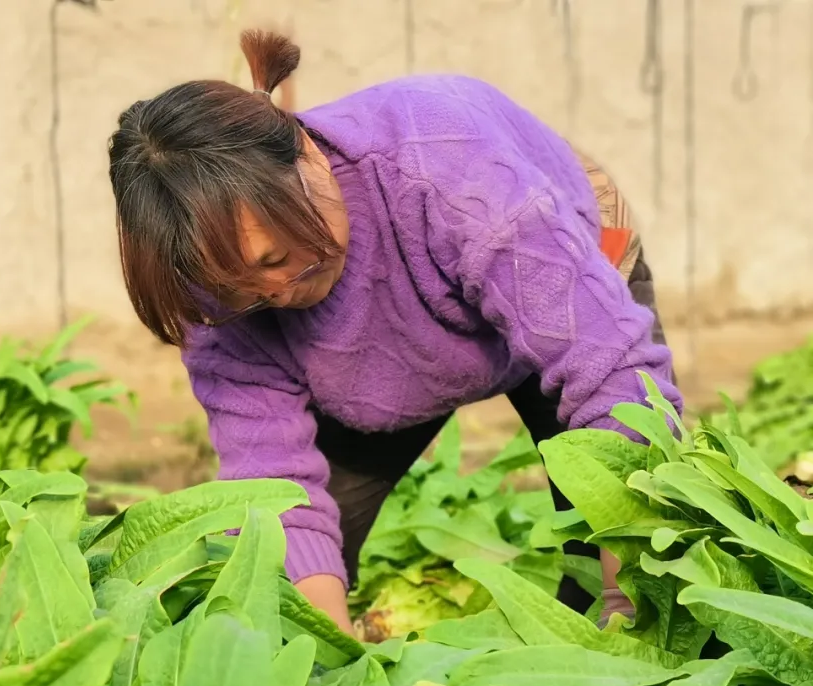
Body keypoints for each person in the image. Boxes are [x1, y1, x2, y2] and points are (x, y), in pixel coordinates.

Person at [107, 30, 682, 634]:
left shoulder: (447, 164)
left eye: (276, 260)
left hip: (560, 285)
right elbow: (275, 486)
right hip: (380, 372)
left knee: (608, 567)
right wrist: (327, 654)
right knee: (284, 593)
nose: (274, 296)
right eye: (240, 289)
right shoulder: (214, 288)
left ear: (306, 157)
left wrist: (627, 605)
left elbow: (614, 380)